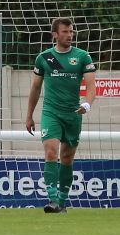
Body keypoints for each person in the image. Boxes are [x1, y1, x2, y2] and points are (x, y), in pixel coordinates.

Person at [25, 17, 96, 213]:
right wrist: (29, 115)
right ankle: (53, 200)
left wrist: (87, 104)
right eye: (65, 32)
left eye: (71, 32)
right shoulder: (44, 58)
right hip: (51, 113)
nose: (69, 35)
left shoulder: (83, 57)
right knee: (50, 152)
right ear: (55, 34)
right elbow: (35, 88)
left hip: (73, 114)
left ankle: (62, 201)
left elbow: (91, 87)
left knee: (66, 158)